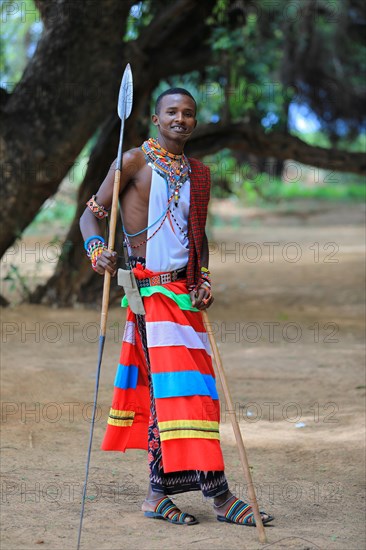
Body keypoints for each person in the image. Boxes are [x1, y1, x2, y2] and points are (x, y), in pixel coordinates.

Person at [79, 88, 273, 526]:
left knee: (180, 394)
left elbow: (196, 236)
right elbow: (90, 215)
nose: (180, 119)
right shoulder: (132, 161)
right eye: (172, 112)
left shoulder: (198, 174)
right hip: (147, 295)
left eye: (188, 113)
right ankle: (218, 496)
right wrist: (96, 251)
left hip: (184, 298)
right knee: (184, 394)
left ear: (195, 122)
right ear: (155, 118)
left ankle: (157, 494)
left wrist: (203, 280)